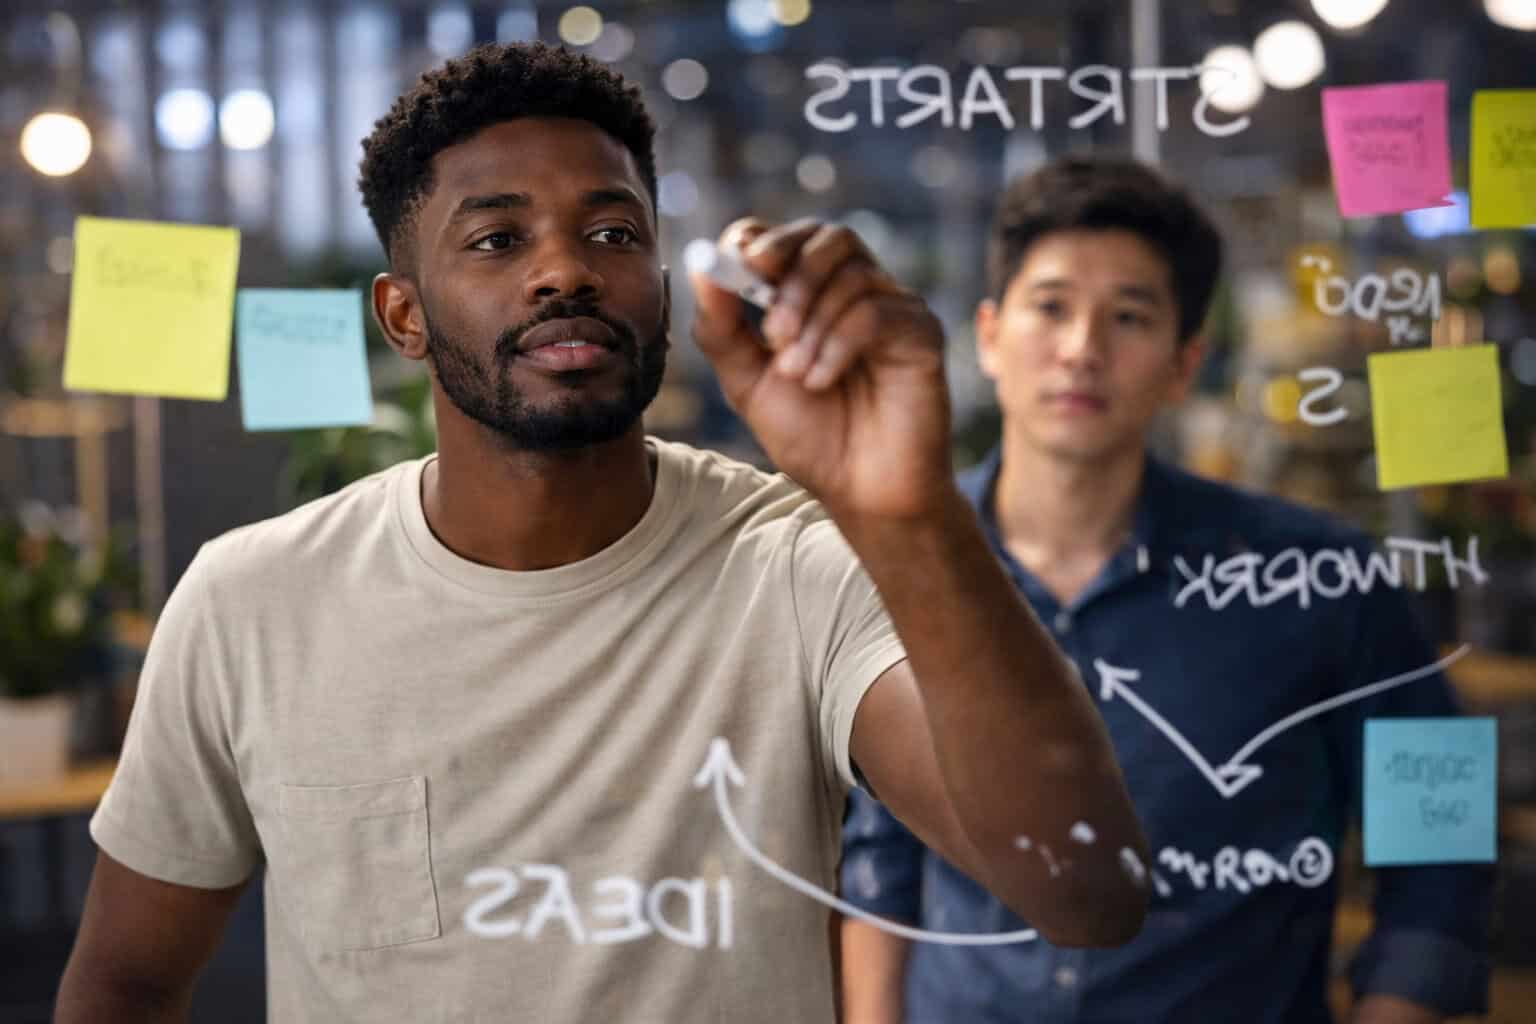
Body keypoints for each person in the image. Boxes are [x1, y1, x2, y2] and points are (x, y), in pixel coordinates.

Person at [55, 44, 1152, 1023]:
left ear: (664, 285)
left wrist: (907, 509)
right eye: (496, 238)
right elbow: (125, 985)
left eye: (613, 231)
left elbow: (1084, 890)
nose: (566, 269)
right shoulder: (254, 598)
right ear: (404, 316)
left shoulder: (796, 564)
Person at [838, 155, 1494, 1024]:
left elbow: (1443, 835)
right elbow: (880, 863)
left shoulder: (1324, 575)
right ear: (990, 335)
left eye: (1130, 316)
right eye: (1051, 307)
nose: (1082, 348)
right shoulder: (900, 559)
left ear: (1186, 363)